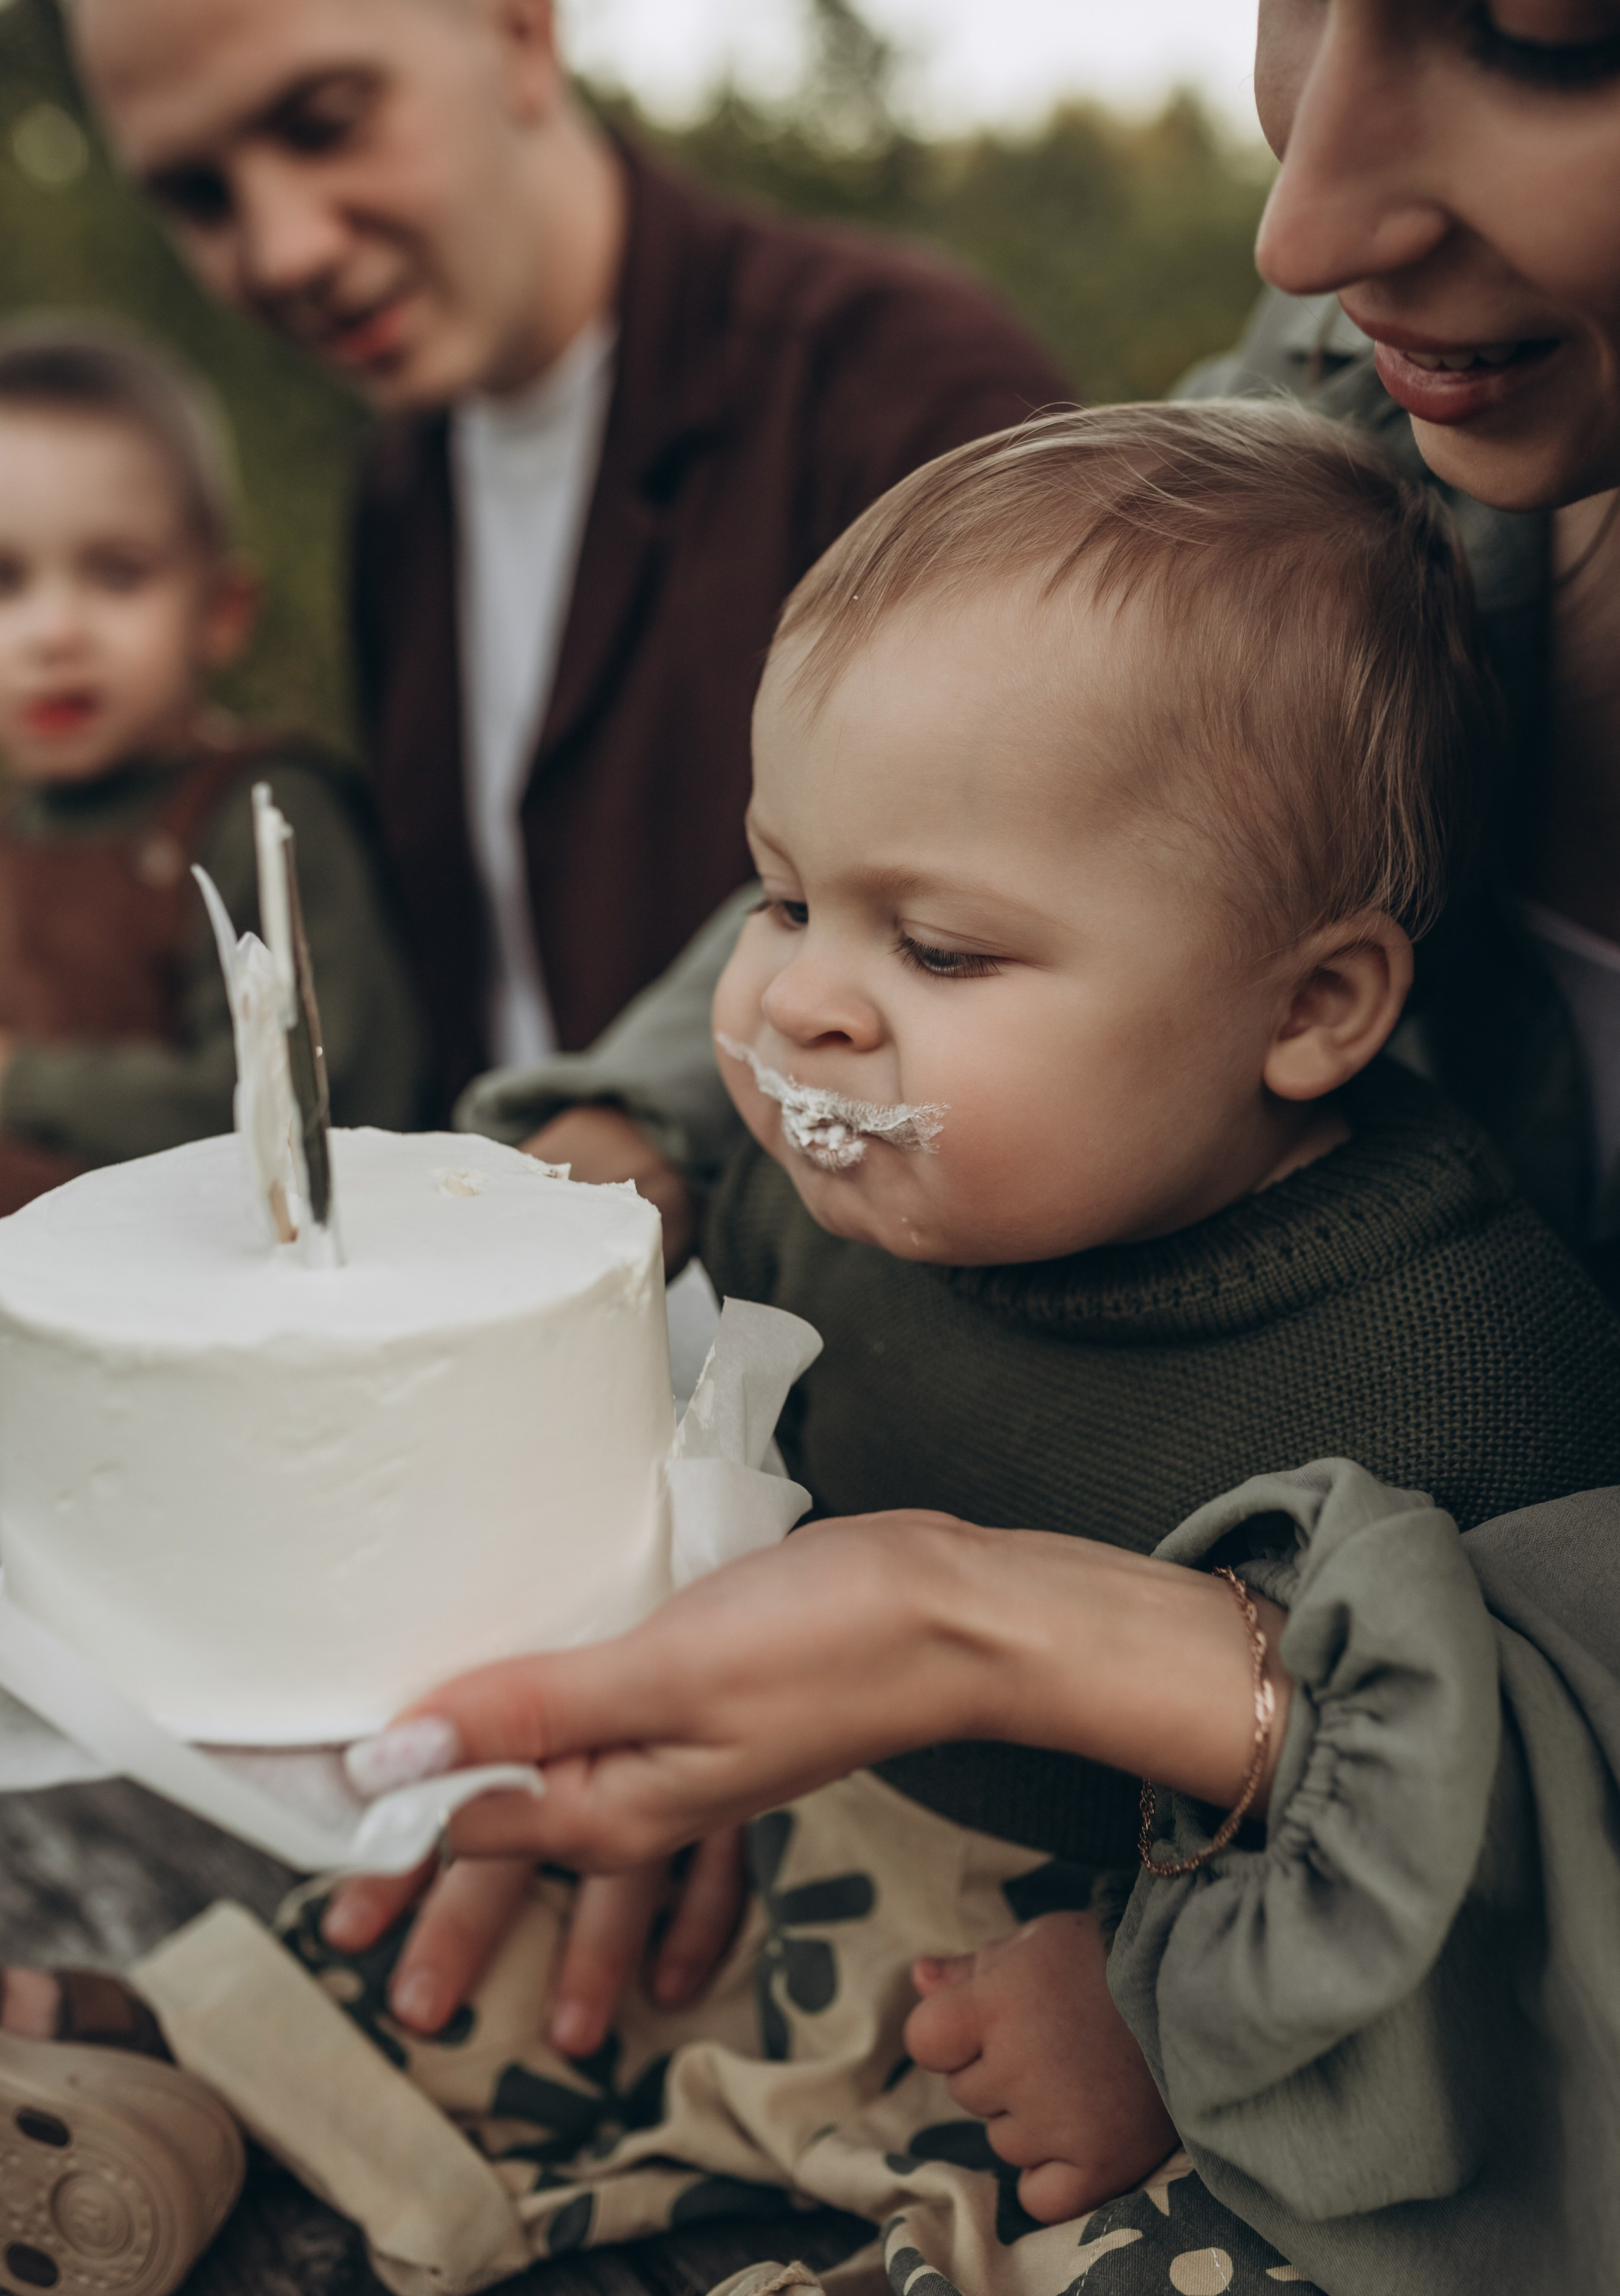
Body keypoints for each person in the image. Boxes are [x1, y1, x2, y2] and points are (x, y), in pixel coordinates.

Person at [11, 403, 1620, 2296]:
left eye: (939, 951)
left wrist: (1163, 2003)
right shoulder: (818, 1219)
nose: (801, 1003)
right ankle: (154, 2094)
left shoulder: (1465, 1365)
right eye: (783, 894)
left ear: (1315, 1005)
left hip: (1102, 2008)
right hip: (755, 1878)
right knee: (437, 1936)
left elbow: (1487, 1853)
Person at [68, 0, 1071, 1120]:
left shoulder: (892, 393)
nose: (284, 249)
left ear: (520, 37)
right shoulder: (398, 492)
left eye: (325, 122)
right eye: (199, 197)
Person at [0, 320, 423, 1204]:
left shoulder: (260, 812)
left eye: (117, 574)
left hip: (199, 1296)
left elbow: (311, 1098)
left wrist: (23, 1081)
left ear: (221, 610)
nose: (55, 632)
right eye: (6, 582)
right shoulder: (19, 834)